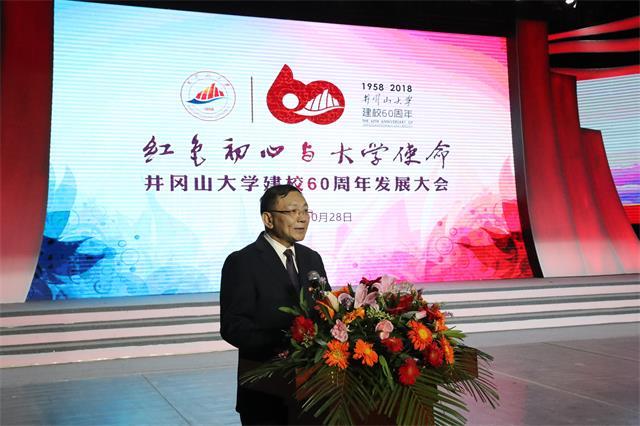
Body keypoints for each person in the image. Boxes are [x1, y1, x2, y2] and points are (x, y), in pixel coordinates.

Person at [220, 184, 328, 425]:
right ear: (268, 219)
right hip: (265, 391)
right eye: (292, 211)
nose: (302, 218)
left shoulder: (312, 258)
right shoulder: (243, 262)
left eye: (305, 211)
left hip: (313, 391)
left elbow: (325, 310)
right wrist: (288, 340)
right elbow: (233, 327)